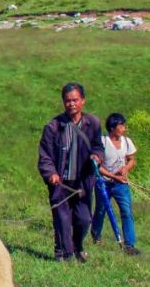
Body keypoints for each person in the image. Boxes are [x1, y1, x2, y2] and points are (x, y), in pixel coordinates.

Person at [38, 83, 104, 262]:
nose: (71, 104)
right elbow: (45, 157)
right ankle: (64, 254)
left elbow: (98, 147)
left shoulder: (93, 123)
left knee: (84, 220)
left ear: (83, 100)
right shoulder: (53, 126)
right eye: (67, 101)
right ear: (63, 102)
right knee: (63, 221)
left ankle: (77, 247)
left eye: (75, 100)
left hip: (83, 182)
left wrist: (97, 157)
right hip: (60, 183)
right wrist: (50, 173)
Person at [93, 113, 140, 255]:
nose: (124, 128)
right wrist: (113, 176)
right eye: (121, 125)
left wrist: (125, 168)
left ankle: (129, 245)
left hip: (121, 184)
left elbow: (132, 159)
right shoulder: (102, 141)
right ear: (113, 127)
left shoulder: (126, 142)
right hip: (104, 184)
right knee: (101, 210)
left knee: (126, 211)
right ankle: (96, 236)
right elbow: (97, 166)